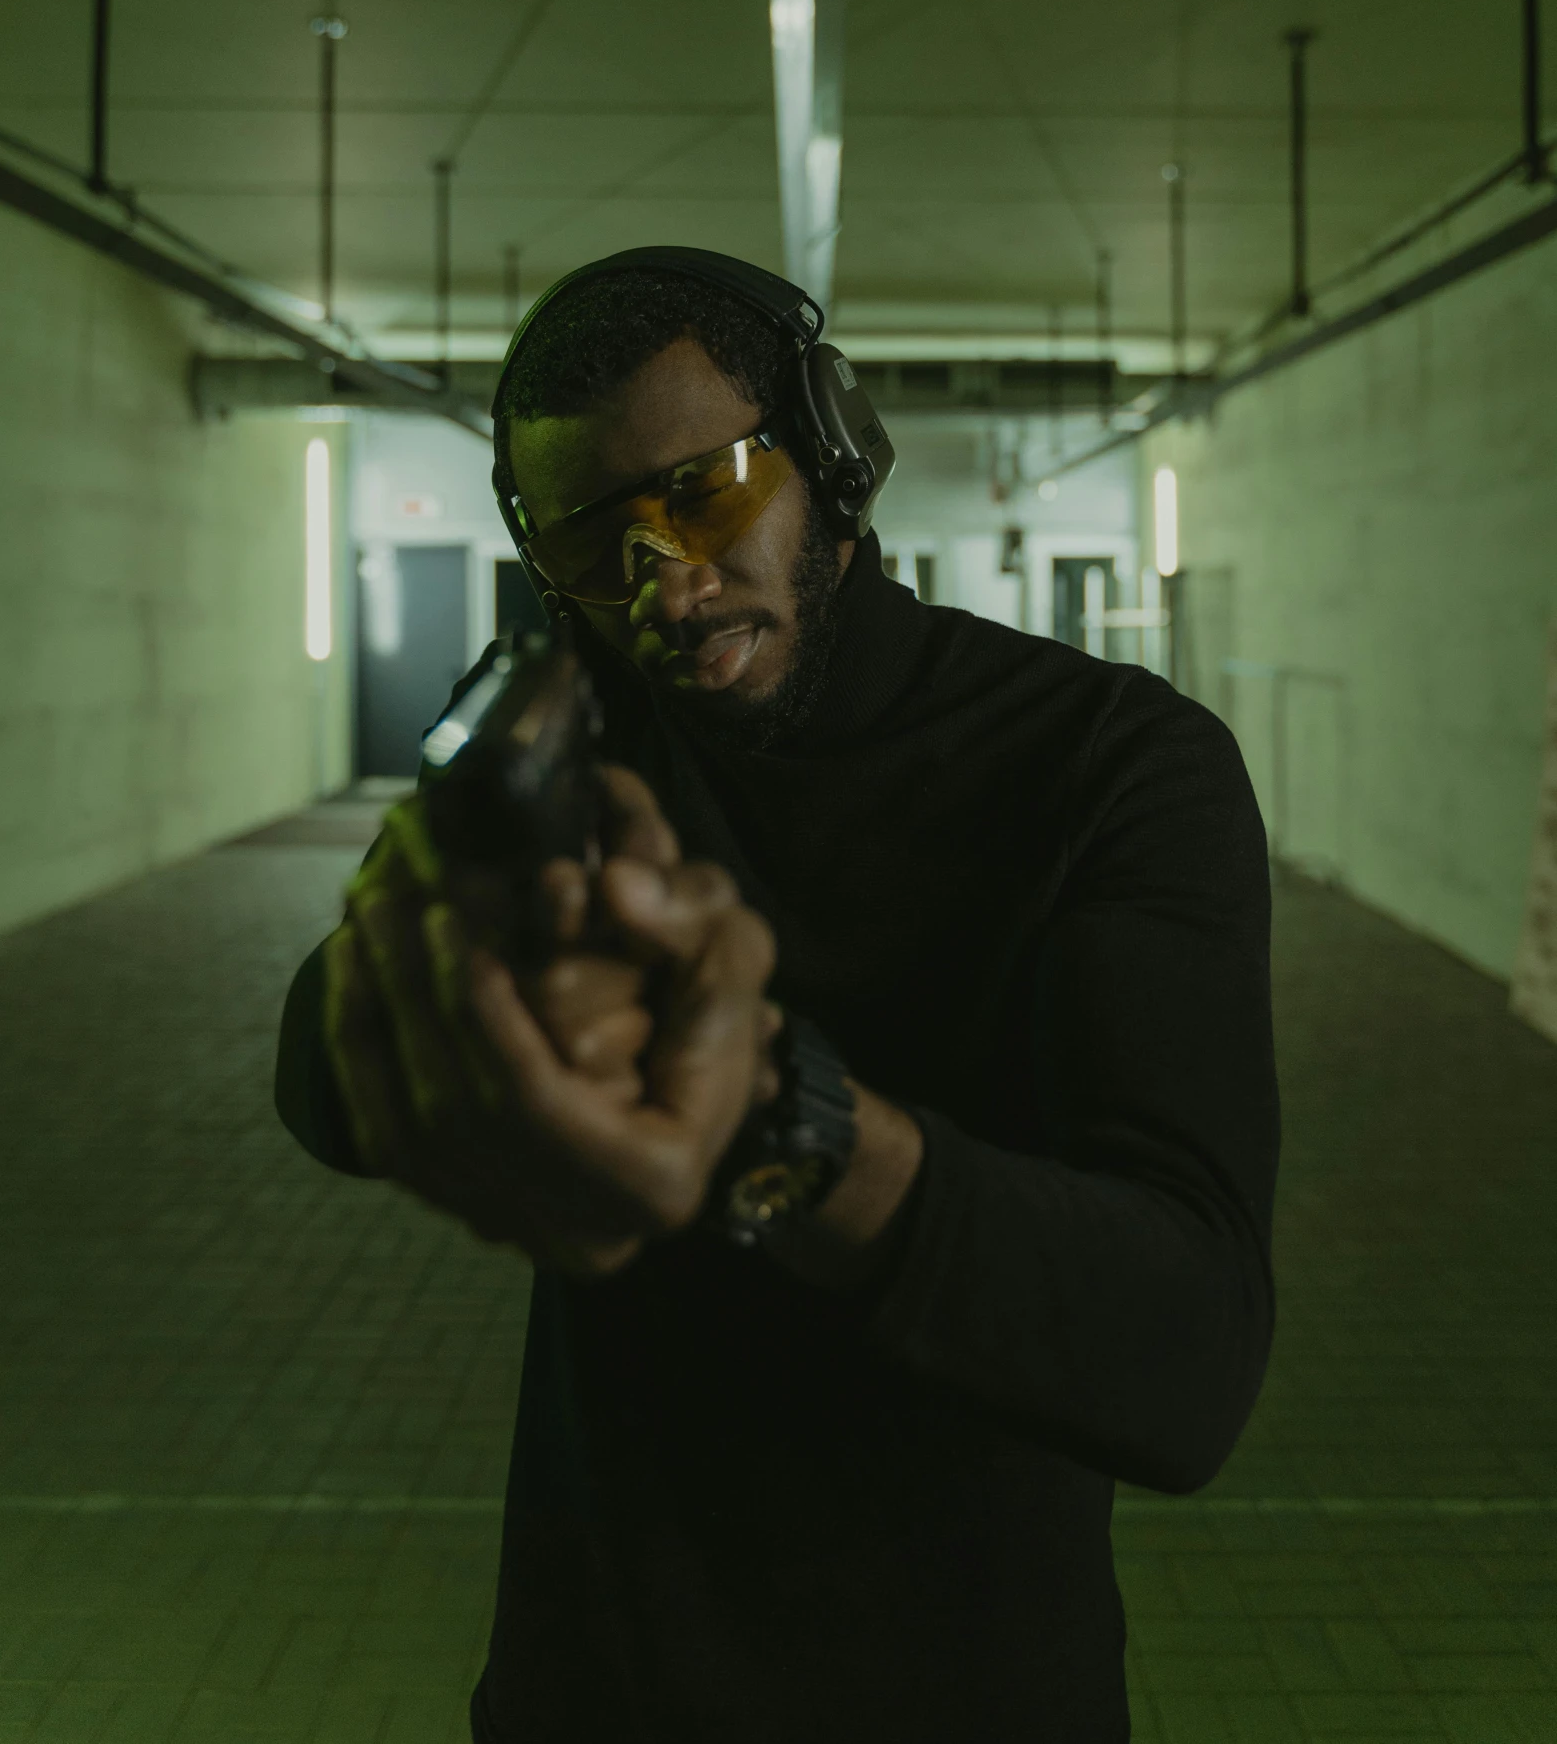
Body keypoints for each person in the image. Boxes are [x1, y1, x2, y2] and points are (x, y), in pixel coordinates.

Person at [275, 245, 1280, 1744]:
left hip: (972, 1690)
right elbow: (323, 1083)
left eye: (706, 488)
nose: (664, 580)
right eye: (589, 535)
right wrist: (453, 939)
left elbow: (1183, 1356)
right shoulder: (585, 736)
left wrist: (773, 1115)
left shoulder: (1113, 764)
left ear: (830, 455)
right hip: (595, 1684)